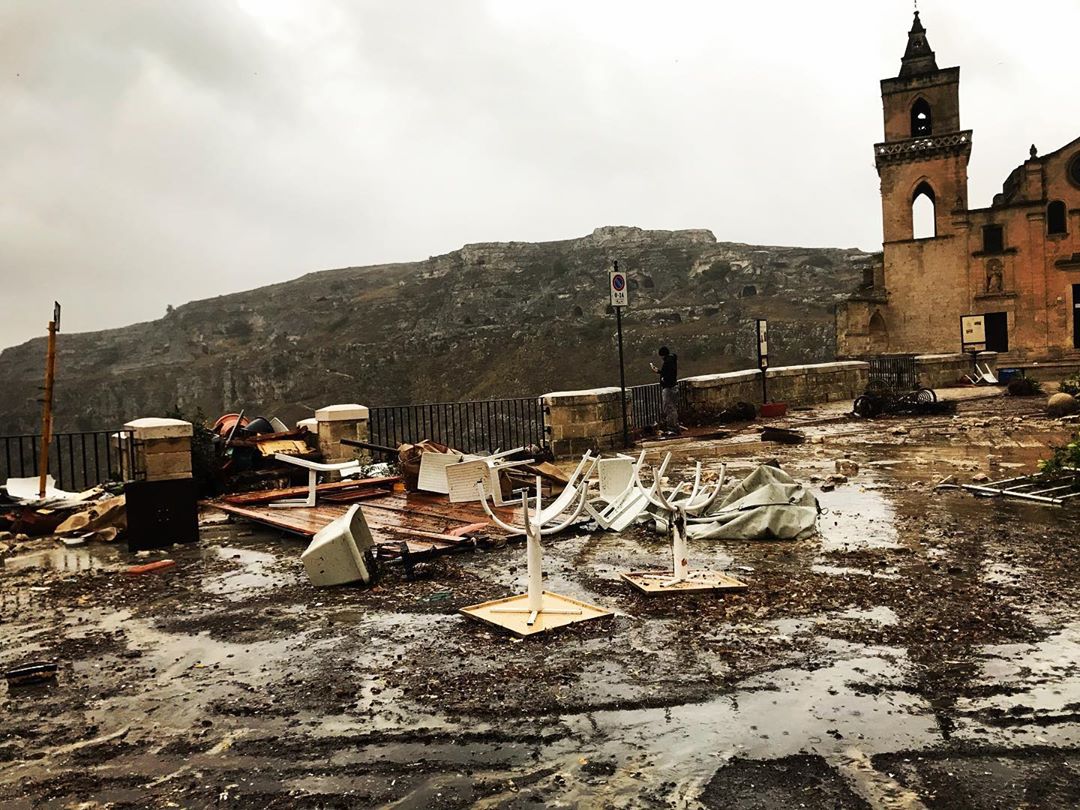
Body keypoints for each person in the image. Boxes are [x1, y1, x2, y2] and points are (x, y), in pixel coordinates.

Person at [649, 346, 680, 434]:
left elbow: (667, 374)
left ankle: (672, 428)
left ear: (662, 355)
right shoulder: (671, 360)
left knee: (669, 408)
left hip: (669, 388)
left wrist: (663, 379)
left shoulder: (667, 362)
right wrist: (659, 371)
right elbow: (667, 372)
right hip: (673, 386)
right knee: (672, 408)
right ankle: (674, 426)